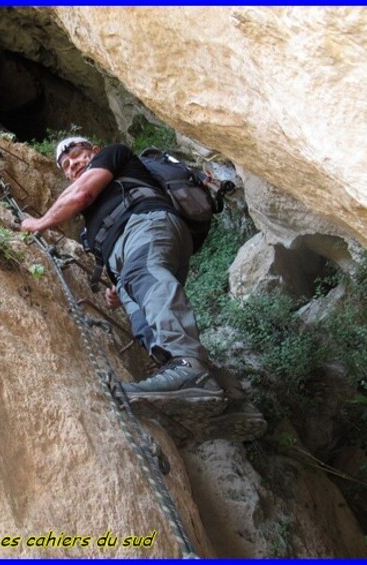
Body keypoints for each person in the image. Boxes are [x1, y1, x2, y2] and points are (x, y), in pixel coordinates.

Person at [20, 136, 228, 418]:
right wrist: (118, 287)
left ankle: (190, 370)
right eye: (67, 166)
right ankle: (224, 392)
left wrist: (39, 222)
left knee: (145, 277)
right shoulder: (90, 223)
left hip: (146, 225)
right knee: (144, 324)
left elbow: (81, 194)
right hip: (138, 252)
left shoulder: (113, 155)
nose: (73, 166)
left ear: (95, 151)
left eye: (79, 156)